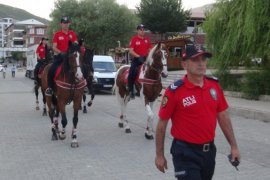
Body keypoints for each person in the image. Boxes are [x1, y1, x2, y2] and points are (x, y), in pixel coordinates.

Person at [155, 45, 241, 180]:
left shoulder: (214, 86)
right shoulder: (174, 91)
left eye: (203, 59)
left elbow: (223, 116)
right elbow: (162, 124)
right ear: (184, 64)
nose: (201, 63)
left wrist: (234, 146)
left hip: (209, 152)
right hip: (185, 153)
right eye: (195, 60)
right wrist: (159, 155)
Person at [45, 16, 78, 96]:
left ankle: (82, 87)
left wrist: (75, 46)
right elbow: (54, 47)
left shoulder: (72, 34)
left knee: (80, 68)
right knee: (51, 70)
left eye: (67, 23)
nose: (65, 25)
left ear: (69, 24)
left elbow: (75, 43)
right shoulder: (57, 34)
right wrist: (61, 53)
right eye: (64, 23)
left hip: (70, 57)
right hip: (60, 57)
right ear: (61, 24)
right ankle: (49, 88)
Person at [128, 24, 152, 99]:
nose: (142, 31)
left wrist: (150, 55)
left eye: (143, 30)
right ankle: (131, 90)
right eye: (141, 30)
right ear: (137, 31)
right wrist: (138, 56)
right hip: (137, 59)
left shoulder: (147, 39)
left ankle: (155, 89)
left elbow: (150, 49)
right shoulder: (134, 39)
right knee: (132, 72)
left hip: (146, 59)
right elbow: (131, 51)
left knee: (154, 71)